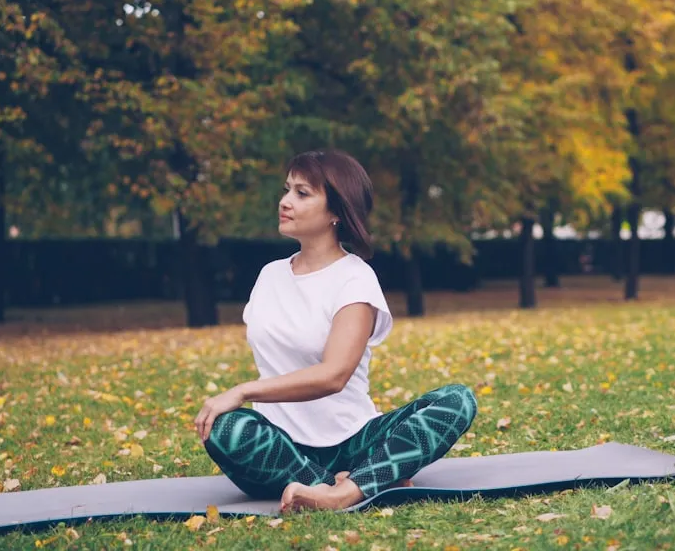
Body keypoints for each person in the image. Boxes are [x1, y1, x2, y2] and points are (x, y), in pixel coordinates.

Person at [193, 149, 478, 513]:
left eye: (302, 193)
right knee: (226, 428)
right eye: (287, 190)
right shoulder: (269, 275)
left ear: (336, 213)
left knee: (458, 400)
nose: (285, 202)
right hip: (283, 447)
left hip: (357, 441)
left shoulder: (355, 278)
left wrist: (243, 390)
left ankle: (345, 492)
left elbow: (334, 375)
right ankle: (361, 480)